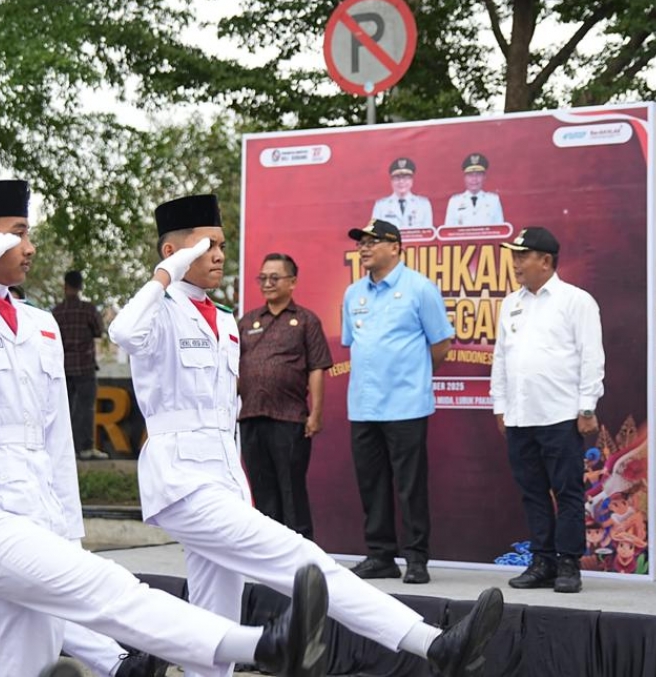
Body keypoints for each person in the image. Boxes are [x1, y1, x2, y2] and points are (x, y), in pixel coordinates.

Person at [0, 179, 330, 677]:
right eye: (17, 234)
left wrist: (67, 527)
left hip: (35, 508)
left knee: (11, 655)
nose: (29, 247)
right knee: (103, 587)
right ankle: (258, 645)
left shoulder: (36, 322)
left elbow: (54, 442)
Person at [109, 195, 501, 677]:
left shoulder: (223, 320)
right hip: (181, 481)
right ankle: (432, 643)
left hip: (224, 476)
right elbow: (123, 331)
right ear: (171, 251)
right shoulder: (160, 309)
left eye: (221, 245)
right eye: (203, 245)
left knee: (216, 615)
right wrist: (166, 272)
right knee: (302, 559)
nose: (216, 254)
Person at [490, 226, 604, 593]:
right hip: (521, 415)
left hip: (559, 414)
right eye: (514, 256)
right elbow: (501, 357)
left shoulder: (576, 300)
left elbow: (591, 357)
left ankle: (568, 563)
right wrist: (500, 405)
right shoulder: (512, 302)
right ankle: (542, 561)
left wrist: (587, 405)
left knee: (567, 491)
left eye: (523, 256)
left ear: (546, 260)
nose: (516, 263)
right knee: (532, 491)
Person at [340, 218, 455, 584]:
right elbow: (353, 344)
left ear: (396, 247)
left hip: (406, 404)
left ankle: (416, 559)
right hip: (363, 405)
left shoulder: (420, 289)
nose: (364, 247)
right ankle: (380, 555)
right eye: (361, 242)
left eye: (373, 241)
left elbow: (441, 345)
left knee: (410, 486)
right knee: (371, 483)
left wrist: (414, 373)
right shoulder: (353, 293)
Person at [238, 252, 332, 540]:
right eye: (263, 277)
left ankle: (303, 563)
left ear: (292, 282)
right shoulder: (247, 321)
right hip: (251, 417)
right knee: (262, 493)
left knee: (291, 492)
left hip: (290, 419)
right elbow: (233, 369)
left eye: (274, 277)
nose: (267, 283)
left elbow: (317, 367)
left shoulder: (305, 321)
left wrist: (315, 414)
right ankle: (268, 556)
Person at [52, 269, 108, 460]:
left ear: (65, 286)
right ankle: (85, 448)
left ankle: (64, 449)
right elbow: (99, 331)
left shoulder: (56, 312)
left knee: (63, 409)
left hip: (62, 367)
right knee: (86, 409)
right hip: (85, 366)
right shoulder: (88, 309)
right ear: (81, 287)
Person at [370, 158, 433, 230]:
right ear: (391, 181)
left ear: (412, 180)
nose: (401, 182)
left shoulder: (423, 205)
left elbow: (428, 235)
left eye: (406, 178)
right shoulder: (380, 206)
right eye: (397, 178)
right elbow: (374, 234)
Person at [443, 153, 504, 227]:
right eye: (470, 175)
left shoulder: (493, 200)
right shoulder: (455, 202)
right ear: (464, 178)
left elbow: (500, 230)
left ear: (484, 177)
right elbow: (448, 232)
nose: (474, 179)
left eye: (478, 175)